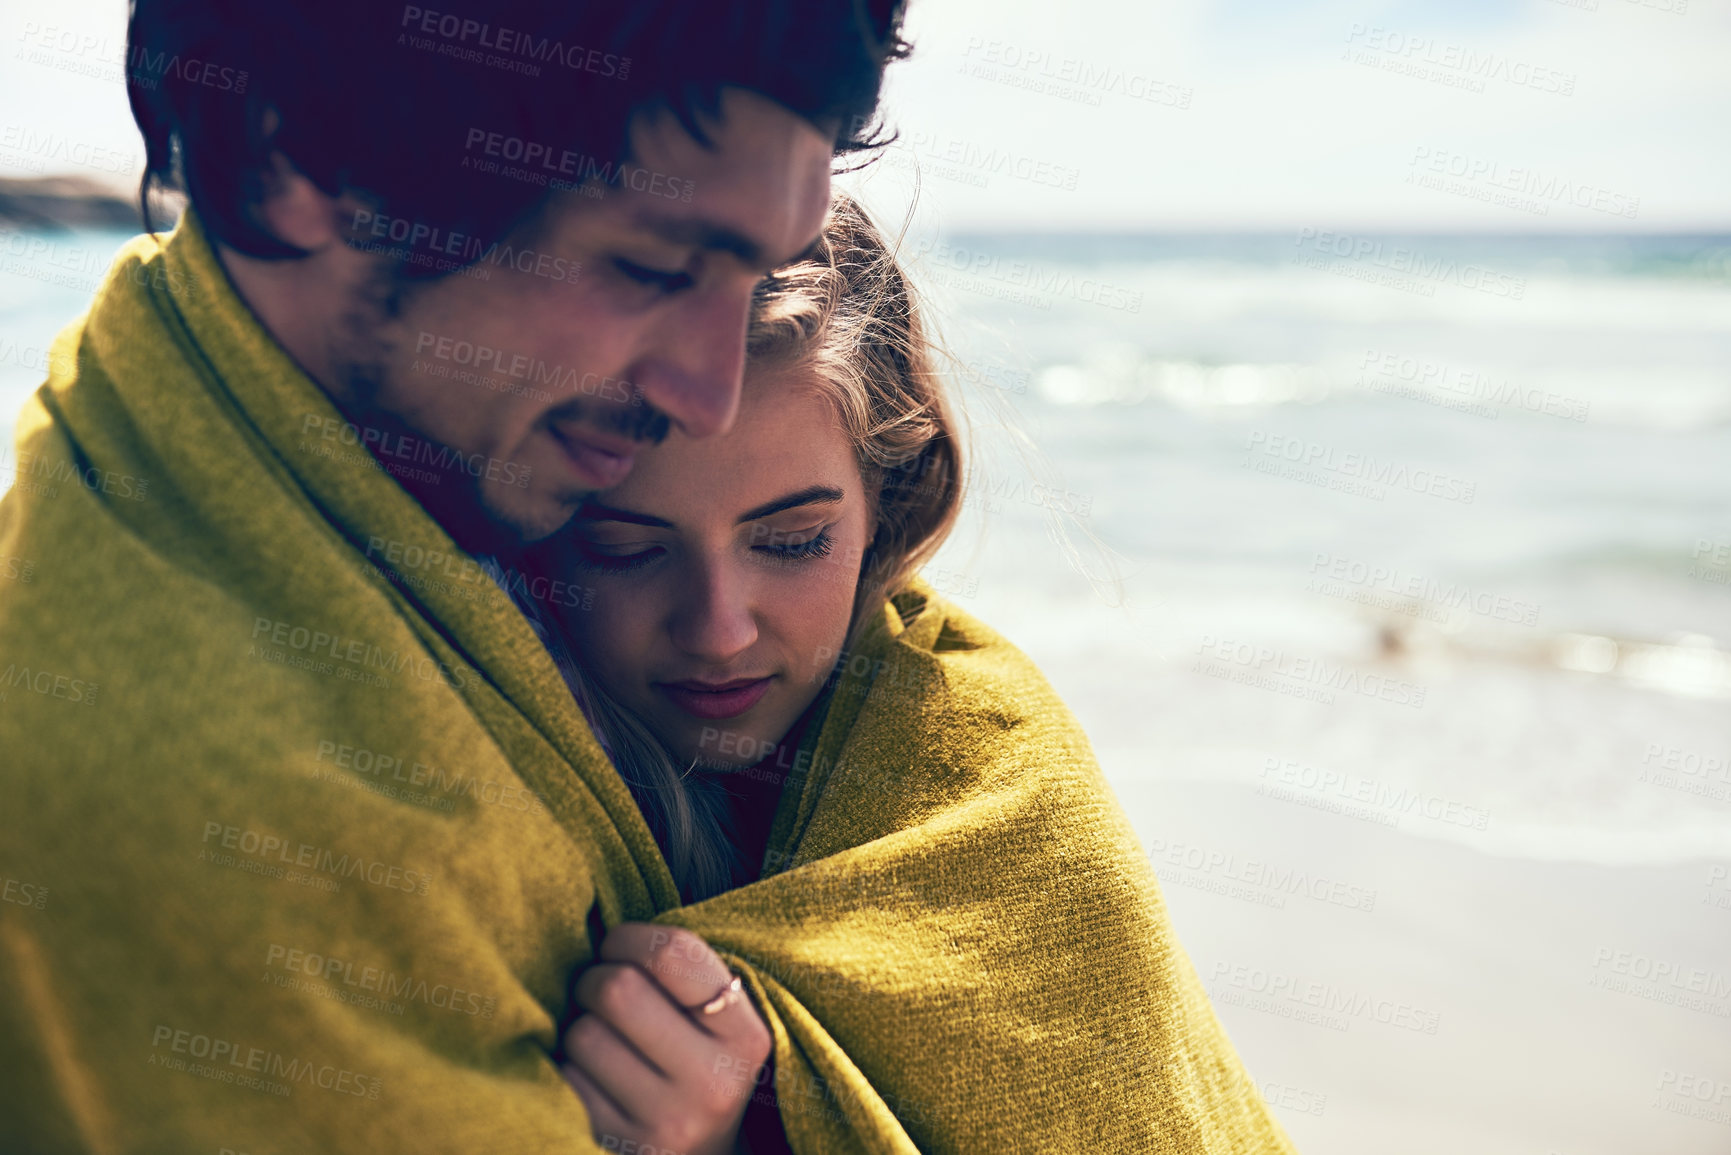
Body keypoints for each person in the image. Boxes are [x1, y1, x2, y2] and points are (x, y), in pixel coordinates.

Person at [0, 3, 909, 1152]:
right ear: (300, 162)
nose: (706, 395)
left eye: (757, 271)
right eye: (650, 267)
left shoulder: (431, 479)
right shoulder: (225, 811)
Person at [525, 196, 1301, 1151]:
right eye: (624, 549)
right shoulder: (488, 739)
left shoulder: (996, 787)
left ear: (887, 501)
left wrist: (757, 1123)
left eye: (794, 539)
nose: (719, 630)